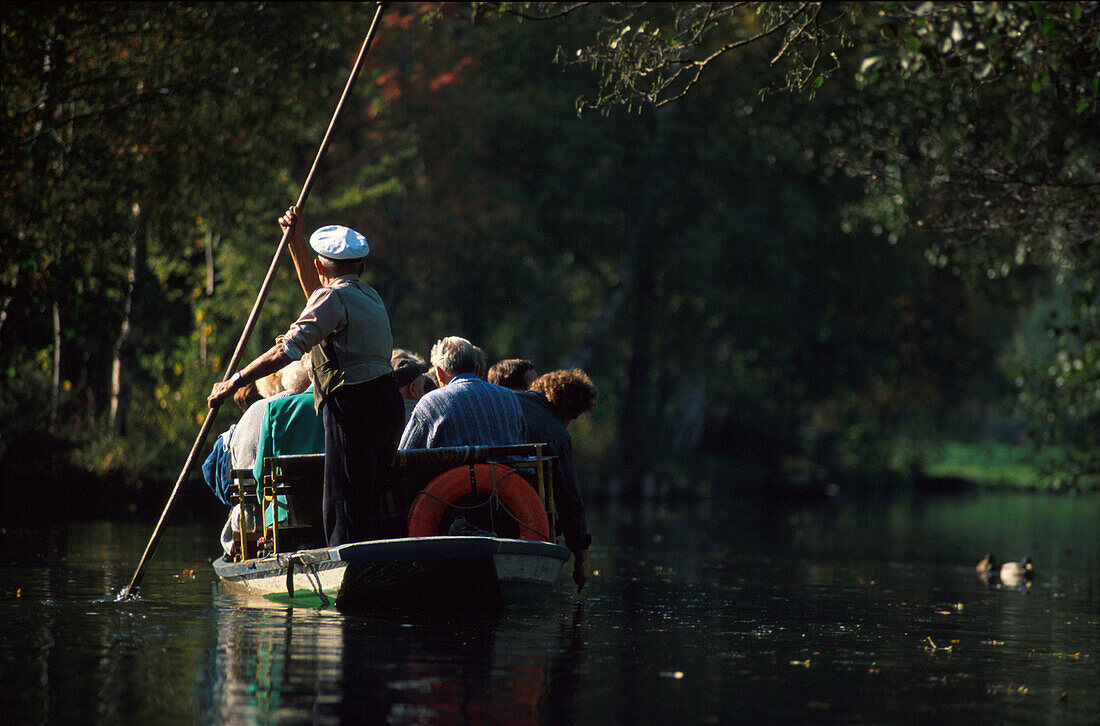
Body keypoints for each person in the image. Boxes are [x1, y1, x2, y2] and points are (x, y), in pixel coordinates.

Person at [209, 207, 404, 547]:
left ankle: (347, 565)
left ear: (319, 266)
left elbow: (285, 350)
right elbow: (317, 294)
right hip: (388, 402)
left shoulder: (332, 298)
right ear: (359, 268)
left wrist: (234, 381)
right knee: (366, 494)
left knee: (343, 502)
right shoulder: (369, 295)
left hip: (353, 405)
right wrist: (295, 242)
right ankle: (368, 558)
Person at [515, 369, 597, 592]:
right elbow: (569, 497)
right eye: (574, 418)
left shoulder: (510, 400)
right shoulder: (556, 431)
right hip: (521, 515)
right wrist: (581, 561)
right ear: (568, 409)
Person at [398, 336, 526, 450]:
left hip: (462, 477)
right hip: (508, 476)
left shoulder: (430, 403)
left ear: (440, 374)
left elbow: (405, 453)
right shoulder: (510, 397)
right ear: (477, 369)